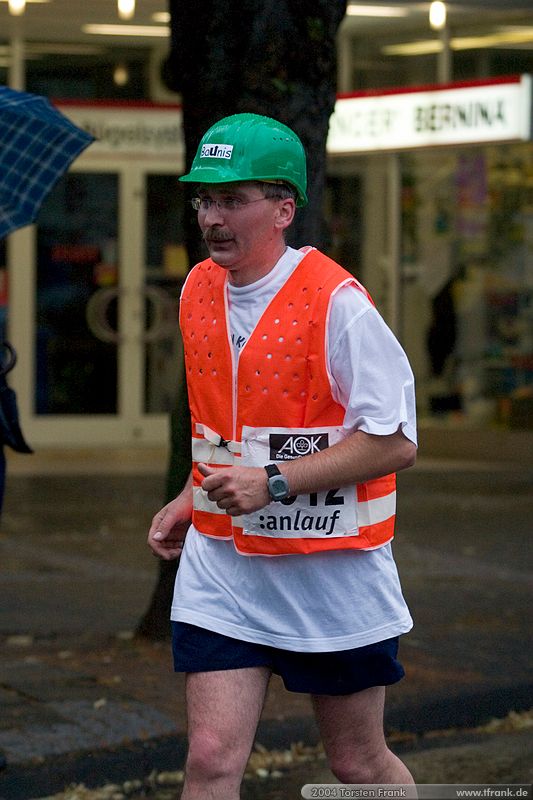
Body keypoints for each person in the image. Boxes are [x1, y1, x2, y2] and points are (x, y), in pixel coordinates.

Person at [148, 112, 418, 800]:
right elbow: (223, 426)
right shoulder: (196, 290)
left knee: (356, 764)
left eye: (232, 199)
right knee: (209, 758)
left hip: (329, 575)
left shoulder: (338, 304)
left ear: (282, 209)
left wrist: (273, 481)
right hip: (226, 572)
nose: (211, 217)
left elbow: (396, 440)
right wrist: (192, 493)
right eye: (204, 199)